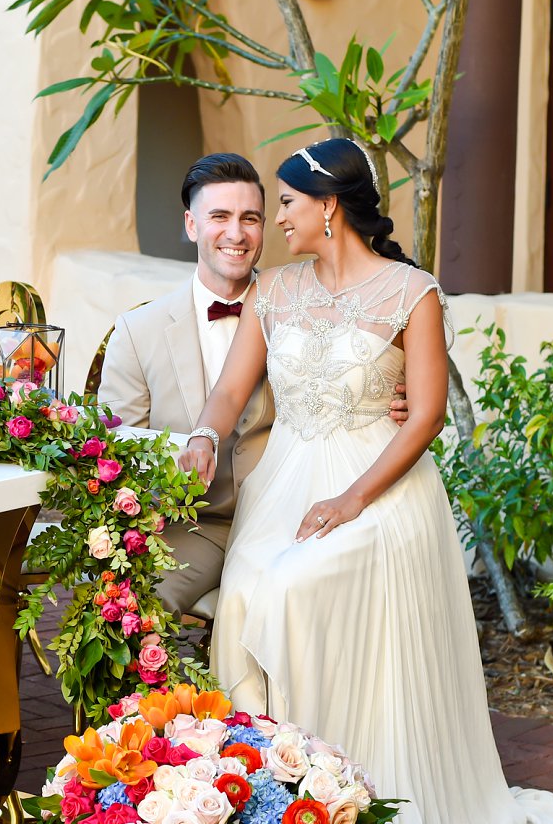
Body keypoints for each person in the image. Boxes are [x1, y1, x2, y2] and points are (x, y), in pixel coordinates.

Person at [177, 138, 553, 824]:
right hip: (287, 487)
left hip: (380, 488)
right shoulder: (274, 293)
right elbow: (229, 391)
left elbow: (426, 415)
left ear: (329, 207)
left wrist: (352, 498)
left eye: (286, 202)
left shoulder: (413, 293)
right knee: (244, 594)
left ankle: (339, 795)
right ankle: (264, 798)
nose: (276, 218)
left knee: (292, 591)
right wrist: (207, 435)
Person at [98, 152, 406, 617]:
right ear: (191, 225)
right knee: (130, 604)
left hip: (293, 515)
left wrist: (392, 398)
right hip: (196, 526)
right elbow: (115, 452)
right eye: (219, 216)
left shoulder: (305, 301)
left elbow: (367, 368)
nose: (237, 234)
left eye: (251, 218)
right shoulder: (138, 332)